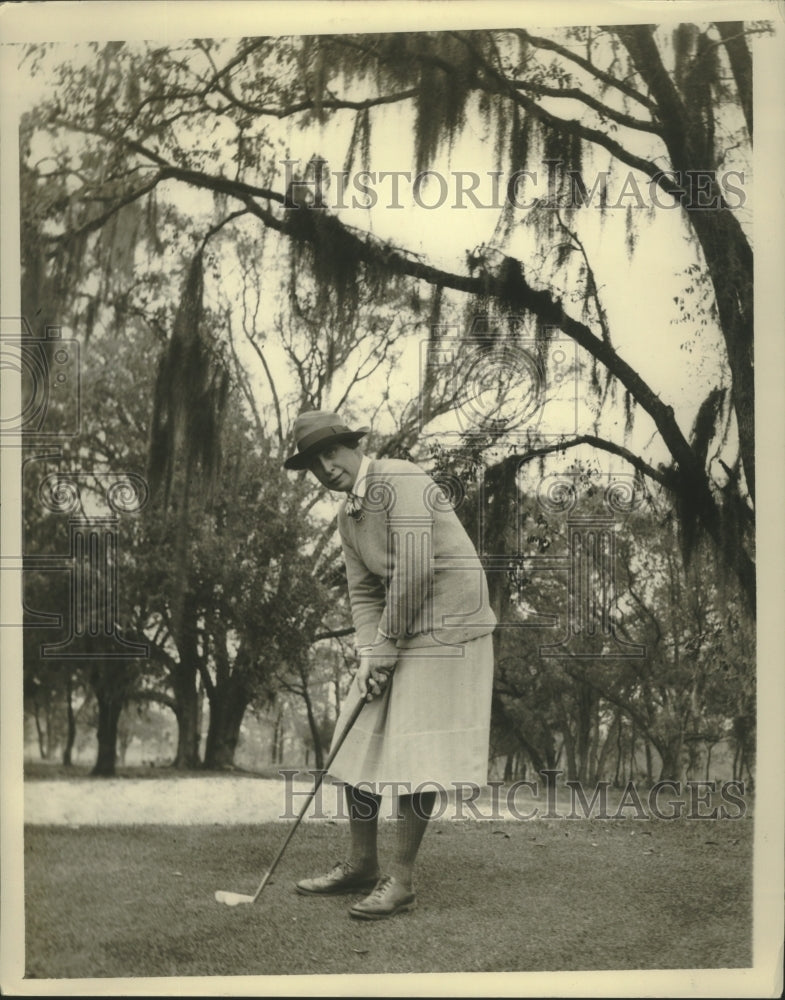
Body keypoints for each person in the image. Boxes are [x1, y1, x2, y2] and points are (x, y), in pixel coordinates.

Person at [284, 409, 496, 919]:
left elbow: (415, 569)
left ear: (355, 446)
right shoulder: (346, 517)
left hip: (451, 624)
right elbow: (362, 592)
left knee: (414, 748)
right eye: (314, 461)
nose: (326, 467)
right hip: (402, 624)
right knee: (356, 733)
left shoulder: (398, 478)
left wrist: (387, 645)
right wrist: (368, 653)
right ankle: (360, 863)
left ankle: (399, 881)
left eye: (332, 451)